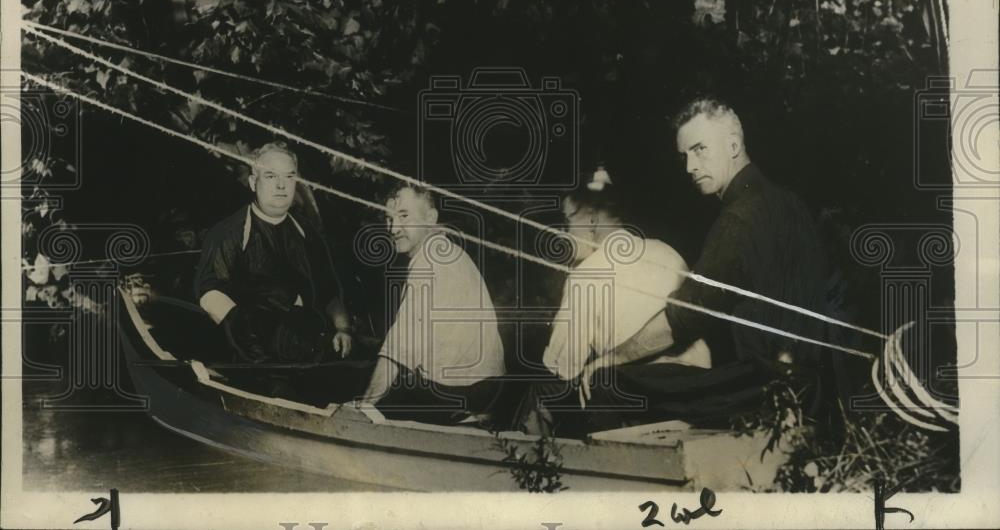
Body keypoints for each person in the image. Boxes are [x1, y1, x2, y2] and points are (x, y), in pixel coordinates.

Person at [520, 98, 841, 435]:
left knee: (606, 382)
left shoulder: (739, 219)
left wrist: (611, 358)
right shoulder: (788, 203)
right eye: (684, 155)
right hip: (811, 383)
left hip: (763, 386)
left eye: (700, 149)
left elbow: (684, 315)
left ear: (733, 144)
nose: (690, 166)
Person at [195, 141, 354, 372]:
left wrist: (343, 329)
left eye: (289, 177)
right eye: (271, 176)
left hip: (309, 350)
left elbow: (328, 290)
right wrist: (257, 354)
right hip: (253, 358)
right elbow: (210, 295)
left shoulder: (306, 232)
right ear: (253, 182)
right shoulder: (229, 233)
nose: (281, 186)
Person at [542, 167, 711, 382]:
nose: (564, 235)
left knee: (544, 392)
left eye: (567, 223)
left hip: (650, 399)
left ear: (592, 220)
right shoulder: (667, 251)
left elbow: (563, 367)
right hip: (705, 387)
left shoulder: (585, 276)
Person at [357, 184, 506, 423]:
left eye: (404, 216)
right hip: (488, 387)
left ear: (430, 218)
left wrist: (364, 407)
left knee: (361, 396)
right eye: (389, 218)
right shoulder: (448, 251)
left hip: (458, 391)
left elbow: (400, 347)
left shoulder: (428, 263)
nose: (393, 228)